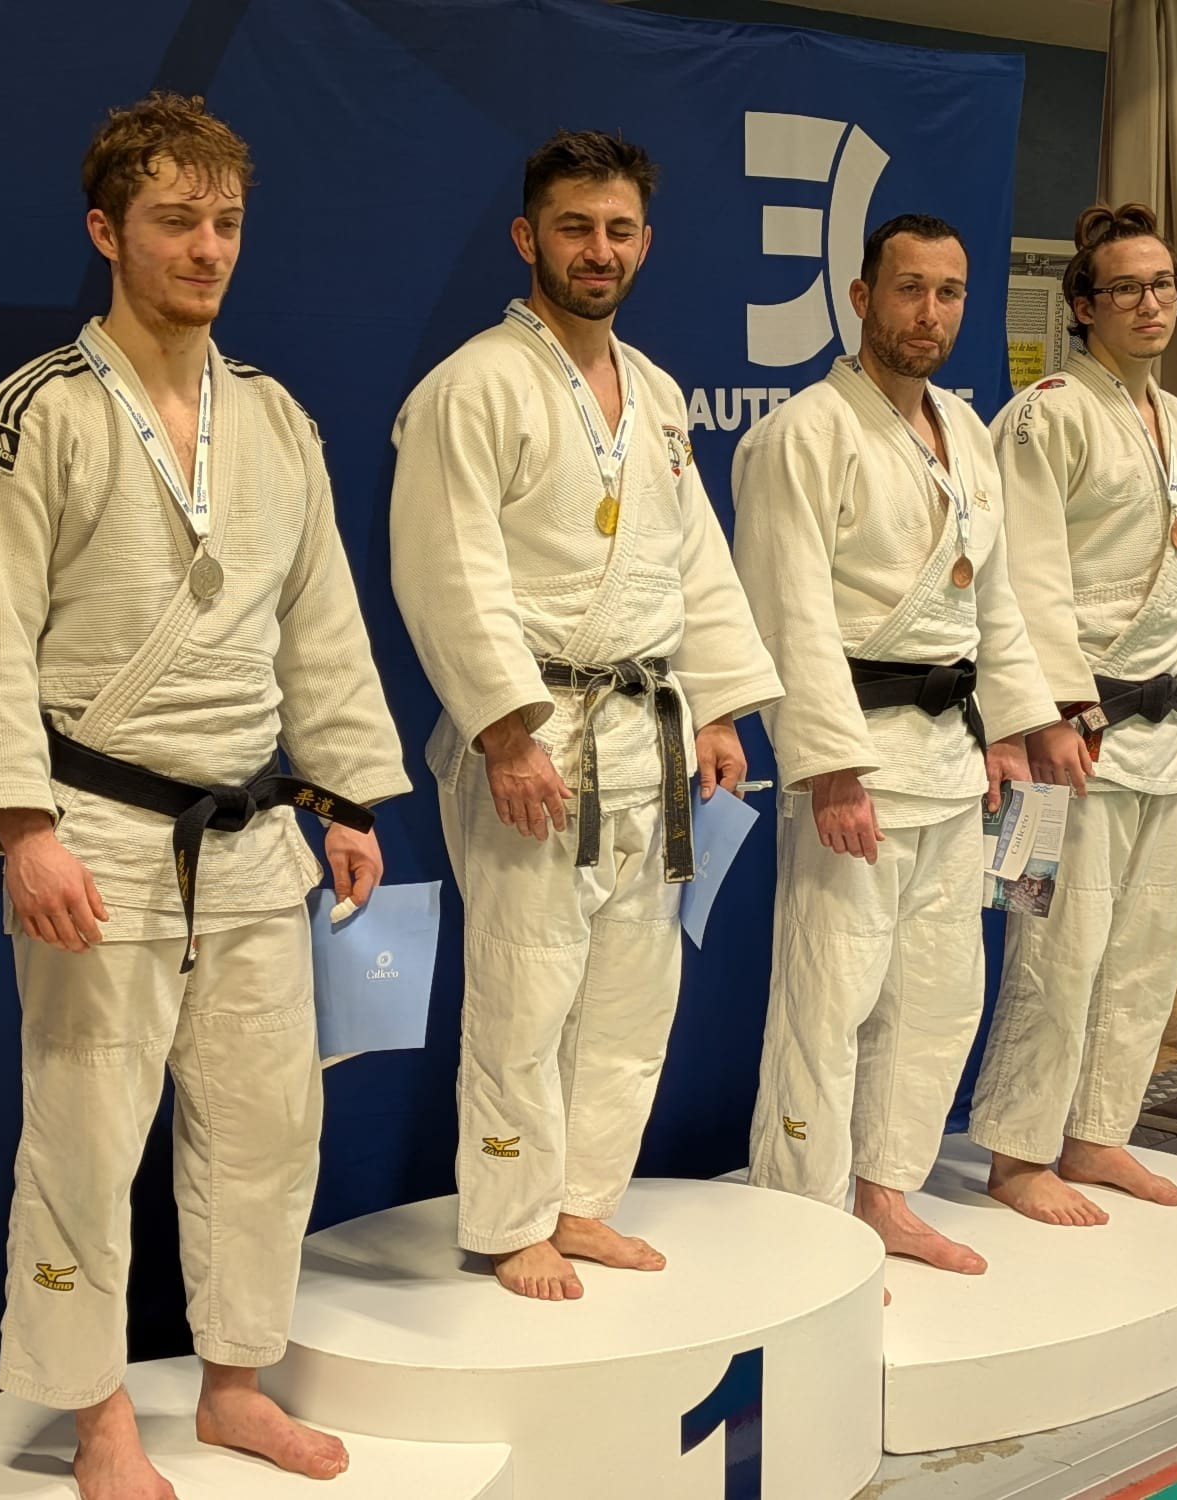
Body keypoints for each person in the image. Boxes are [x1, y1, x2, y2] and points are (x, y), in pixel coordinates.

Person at [0, 92, 410, 1497]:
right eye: (174, 220)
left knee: (266, 1126)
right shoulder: (31, 420)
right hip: (98, 829)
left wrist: (345, 797)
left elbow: (320, 619)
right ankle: (96, 1420)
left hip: (254, 834)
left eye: (225, 223)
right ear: (106, 231)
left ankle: (237, 1384)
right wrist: (22, 827)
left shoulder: (276, 420)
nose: (206, 249)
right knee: (85, 1135)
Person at [390, 130, 781, 1302]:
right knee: (524, 985)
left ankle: (582, 1202)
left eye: (616, 230)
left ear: (644, 244)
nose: (596, 249)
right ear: (528, 238)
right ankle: (510, 1219)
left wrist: (717, 710)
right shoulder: (471, 385)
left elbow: (690, 559)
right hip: (537, 730)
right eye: (573, 227)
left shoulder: (656, 393)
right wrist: (504, 731)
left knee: (631, 987)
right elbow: (443, 570)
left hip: (645, 725)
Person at [732, 214, 1056, 1274]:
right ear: (862, 297)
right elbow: (785, 611)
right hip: (858, 761)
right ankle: (802, 1219)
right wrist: (828, 767)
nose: (930, 312)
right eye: (910, 289)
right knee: (828, 1000)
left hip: (949, 757)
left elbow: (994, 599)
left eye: (949, 293)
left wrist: (1010, 730)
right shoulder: (802, 432)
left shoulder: (965, 430)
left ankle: (885, 1195)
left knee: (937, 995)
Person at [968, 203, 1177, 1226]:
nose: (1150, 303)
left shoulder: (1176, 420)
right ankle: (1017, 1153)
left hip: (1159, 726)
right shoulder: (1045, 415)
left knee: (1142, 951)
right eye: (1126, 288)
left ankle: (1096, 1135)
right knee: (1059, 950)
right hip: (1078, 730)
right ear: (1084, 306)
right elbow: (1023, 578)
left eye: (1163, 284)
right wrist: (1048, 714)